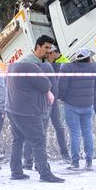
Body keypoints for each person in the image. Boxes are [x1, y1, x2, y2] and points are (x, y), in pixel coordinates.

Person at [6, 60, 64, 183]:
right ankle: (45, 173)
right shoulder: (30, 66)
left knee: (17, 140)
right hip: (28, 111)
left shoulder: (13, 65)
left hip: (12, 108)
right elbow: (46, 84)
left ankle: (16, 171)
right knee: (38, 141)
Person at [19, 35, 58, 170]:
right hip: (36, 106)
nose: (48, 51)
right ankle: (34, 162)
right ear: (38, 46)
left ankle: (32, 162)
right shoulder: (31, 64)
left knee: (36, 135)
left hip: (38, 106)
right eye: (46, 48)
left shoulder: (42, 64)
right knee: (37, 135)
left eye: (50, 48)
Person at [58, 47, 96, 170]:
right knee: (87, 132)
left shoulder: (67, 68)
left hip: (71, 105)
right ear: (88, 58)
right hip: (88, 105)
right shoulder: (94, 68)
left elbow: (61, 87)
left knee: (74, 133)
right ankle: (89, 162)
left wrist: (63, 98)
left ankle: (75, 162)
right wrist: (90, 98)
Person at [44, 46, 71, 162]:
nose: (48, 57)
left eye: (49, 54)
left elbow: (63, 83)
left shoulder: (63, 64)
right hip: (49, 100)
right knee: (55, 127)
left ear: (54, 52)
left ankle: (65, 154)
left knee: (56, 127)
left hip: (52, 100)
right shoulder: (50, 64)